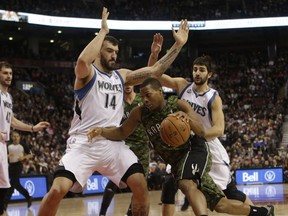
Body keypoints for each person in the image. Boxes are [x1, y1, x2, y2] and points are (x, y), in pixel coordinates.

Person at [38, 7, 189, 216]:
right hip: (84, 142)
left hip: (112, 142)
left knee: (140, 185)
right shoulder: (87, 74)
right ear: (99, 50)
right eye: (109, 50)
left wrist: (178, 45)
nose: (114, 55)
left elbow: (154, 71)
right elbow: (82, 61)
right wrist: (102, 32)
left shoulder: (121, 76)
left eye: (116, 52)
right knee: (57, 189)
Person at [88, 77, 274, 216]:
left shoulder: (177, 104)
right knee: (219, 204)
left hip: (194, 149)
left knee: (186, 184)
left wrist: (189, 121)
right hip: (176, 162)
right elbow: (122, 132)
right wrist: (101, 131)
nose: (144, 99)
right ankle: (263, 212)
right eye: (142, 95)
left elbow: (201, 130)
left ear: (160, 92)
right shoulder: (140, 113)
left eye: (148, 95)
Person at [148, 35, 255, 211]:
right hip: (185, 145)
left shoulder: (213, 98)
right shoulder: (183, 85)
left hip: (208, 145)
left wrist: (201, 133)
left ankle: (259, 213)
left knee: (229, 192)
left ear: (209, 74)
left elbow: (219, 129)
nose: (197, 72)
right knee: (169, 183)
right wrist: (155, 54)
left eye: (202, 70)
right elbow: (155, 74)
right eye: (195, 69)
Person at [0, 61, 50, 216]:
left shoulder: (8, 97)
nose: (9, 76)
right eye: (5, 73)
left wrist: (33, 128)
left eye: (10, 73)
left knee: (4, 186)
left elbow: (12, 121)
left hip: (2, 144)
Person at [99, 84, 150, 216]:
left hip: (142, 146)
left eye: (130, 83)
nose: (127, 86)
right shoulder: (116, 101)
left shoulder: (142, 99)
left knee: (140, 184)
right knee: (114, 180)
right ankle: (102, 213)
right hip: (123, 144)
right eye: (125, 84)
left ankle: (129, 213)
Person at [4, 131, 33, 210]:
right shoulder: (8, 145)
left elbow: (30, 154)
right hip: (10, 166)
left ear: (19, 137)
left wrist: (23, 157)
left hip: (18, 165)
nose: (15, 138)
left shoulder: (23, 145)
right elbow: (3, 155)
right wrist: (7, 155)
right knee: (17, 185)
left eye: (17, 136)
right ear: (11, 137)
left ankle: (4, 203)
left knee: (12, 185)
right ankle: (28, 197)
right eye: (14, 136)